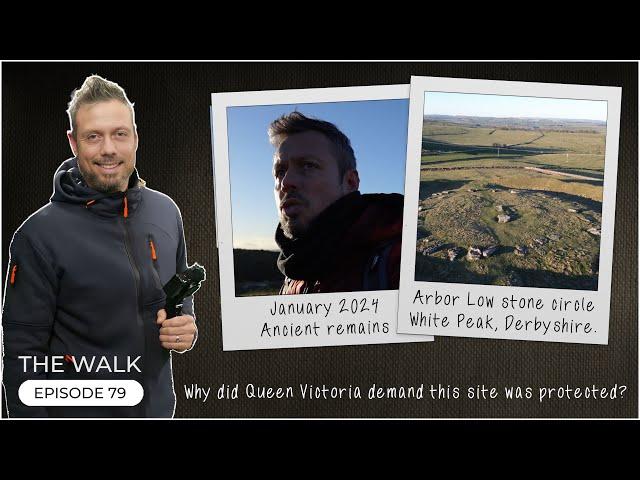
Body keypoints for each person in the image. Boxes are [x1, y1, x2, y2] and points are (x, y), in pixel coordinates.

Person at [1, 75, 198, 418]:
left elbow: (181, 301)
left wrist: (186, 327)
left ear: (135, 138)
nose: (109, 148)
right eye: (94, 136)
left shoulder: (167, 211)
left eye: (119, 134)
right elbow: (22, 358)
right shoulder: (37, 236)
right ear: (73, 143)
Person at [270, 111, 403, 295]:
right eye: (280, 171)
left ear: (350, 182)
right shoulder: (294, 271)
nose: (286, 182)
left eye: (308, 165)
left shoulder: (399, 261)